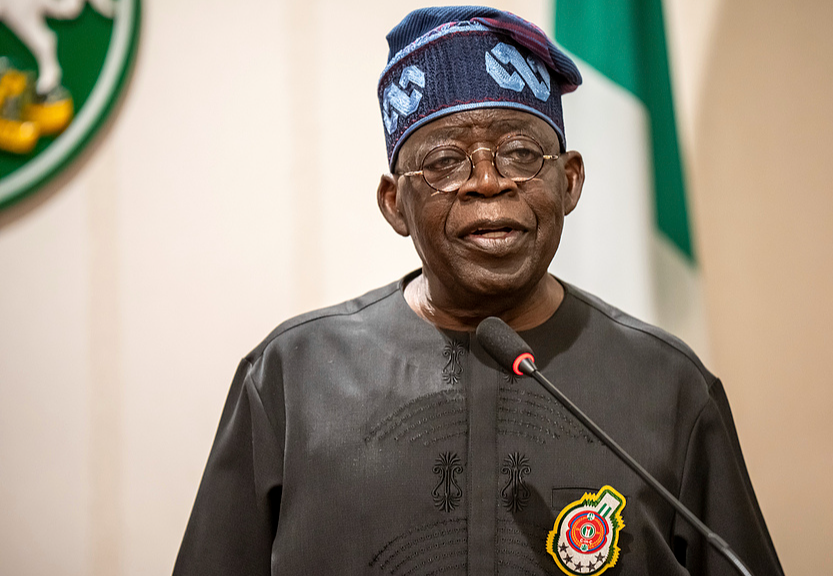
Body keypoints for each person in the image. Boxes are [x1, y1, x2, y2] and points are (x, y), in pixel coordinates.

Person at [173, 6, 784, 576]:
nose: (488, 183)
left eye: (521, 153)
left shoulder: (668, 384)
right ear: (395, 204)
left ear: (569, 182)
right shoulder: (292, 376)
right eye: (444, 162)